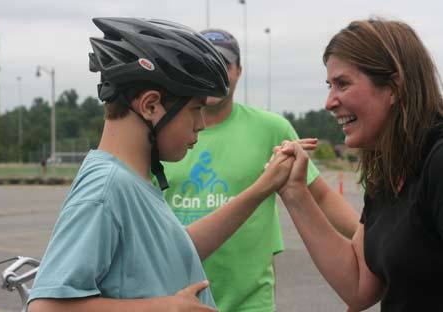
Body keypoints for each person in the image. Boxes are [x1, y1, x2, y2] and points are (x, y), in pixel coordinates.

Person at [26, 17, 298, 312]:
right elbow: (46, 307)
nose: (202, 124)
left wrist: (262, 188)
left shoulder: (134, 182)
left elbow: (176, 250)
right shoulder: (105, 188)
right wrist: (167, 308)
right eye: (195, 109)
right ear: (151, 106)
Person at [162, 28, 359, 312]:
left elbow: (323, 197)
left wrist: (374, 245)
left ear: (239, 71)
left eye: (224, 64)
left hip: (250, 302)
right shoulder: (164, 134)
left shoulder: (272, 129)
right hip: (177, 298)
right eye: (204, 64)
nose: (214, 74)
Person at [277, 18, 443, 311]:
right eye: (330, 85)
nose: (329, 102)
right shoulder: (389, 167)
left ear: (393, 87)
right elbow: (359, 285)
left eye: (342, 83)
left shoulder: (437, 159)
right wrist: (295, 193)